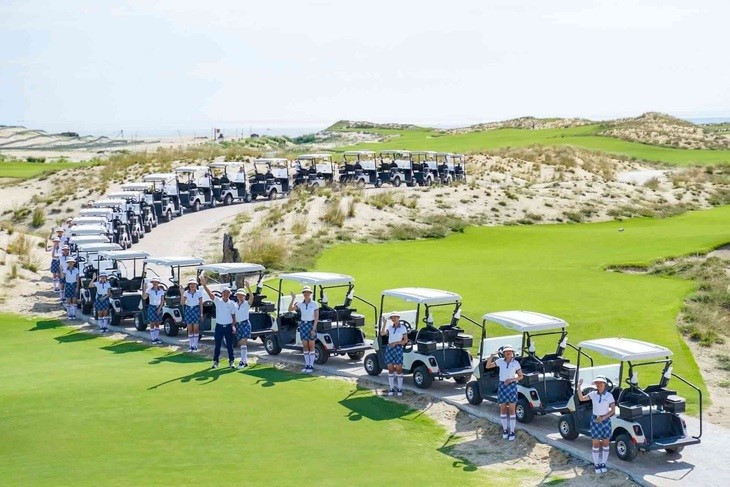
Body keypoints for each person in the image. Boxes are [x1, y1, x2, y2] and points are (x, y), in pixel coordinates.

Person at [577, 376, 616, 474]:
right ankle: (596, 464)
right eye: (597, 383)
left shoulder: (609, 396)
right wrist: (579, 387)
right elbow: (581, 398)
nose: (599, 385)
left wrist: (602, 418)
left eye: (601, 383)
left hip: (605, 420)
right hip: (595, 420)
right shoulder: (593, 394)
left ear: (604, 384)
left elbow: (613, 410)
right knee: (596, 443)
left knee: (605, 442)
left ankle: (603, 463)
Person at [486, 344, 524, 441]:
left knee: (511, 409)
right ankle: (505, 430)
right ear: (504, 353)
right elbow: (488, 366)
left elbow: (520, 376)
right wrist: (491, 356)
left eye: (510, 351)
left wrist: (511, 380)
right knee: (503, 408)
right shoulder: (499, 362)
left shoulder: (516, 363)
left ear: (512, 353)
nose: (508, 353)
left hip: (511, 386)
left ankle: (512, 431)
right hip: (502, 386)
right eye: (506, 352)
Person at [200, 275, 236, 369]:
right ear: (222, 293)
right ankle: (216, 361)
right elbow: (210, 294)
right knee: (217, 345)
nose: (225, 294)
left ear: (229, 294)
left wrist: (233, 326)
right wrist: (204, 285)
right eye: (224, 292)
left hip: (228, 326)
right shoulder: (218, 301)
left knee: (229, 345)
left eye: (227, 293)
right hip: (219, 326)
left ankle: (231, 361)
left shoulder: (232, 304)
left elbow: (233, 316)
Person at [288, 285, 319, 373]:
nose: (306, 294)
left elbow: (316, 317)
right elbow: (290, 309)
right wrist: (293, 299)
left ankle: (311, 366)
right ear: (303, 293)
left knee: (311, 345)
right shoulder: (300, 304)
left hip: (311, 324)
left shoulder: (314, 304)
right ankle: (307, 365)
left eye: (308, 292)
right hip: (303, 325)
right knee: (305, 346)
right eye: (305, 292)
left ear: (310, 293)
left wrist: (313, 329)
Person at [379, 312, 408, 396]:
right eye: (392, 317)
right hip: (389, 349)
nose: (393, 319)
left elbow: (405, 340)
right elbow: (382, 333)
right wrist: (384, 323)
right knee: (390, 369)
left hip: (398, 348)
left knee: (399, 369)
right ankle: (391, 388)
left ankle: (399, 388)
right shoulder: (390, 328)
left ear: (398, 318)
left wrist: (396, 343)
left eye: (395, 317)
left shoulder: (403, 328)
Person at [233, 280, 254, 368]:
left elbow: (252, 298)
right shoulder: (234, 305)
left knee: (243, 343)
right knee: (242, 343)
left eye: (242, 295)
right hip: (238, 324)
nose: (240, 296)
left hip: (245, 324)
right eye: (239, 295)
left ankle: (243, 361)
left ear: (244, 296)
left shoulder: (246, 304)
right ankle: (244, 361)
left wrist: (248, 288)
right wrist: (233, 325)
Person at [181, 278, 203, 352]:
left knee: (196, 329)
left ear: (196, 285)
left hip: (196, 310)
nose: (192, 285)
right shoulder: (186, 293)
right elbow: (182, 303)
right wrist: (182, 293)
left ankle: (195, 346)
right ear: (189, 285)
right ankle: (191, 346)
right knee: (190, 329)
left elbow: (201, 304)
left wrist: (201, 314)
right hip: (188, 310)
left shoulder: (199, 292)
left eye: (194, 284)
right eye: (191, 284)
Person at [142, 277, 165, 344]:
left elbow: (162, 301)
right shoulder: (149, 290)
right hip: (152, 306)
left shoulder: (161, 291)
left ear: (158, 283)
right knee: (152, 323)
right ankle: (153, 339)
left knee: (157, 323)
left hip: (158, 307)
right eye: (154, 282)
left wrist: (159, 308)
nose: (155, 283)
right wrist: (144, 290)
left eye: (156, 282)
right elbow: (144, 297)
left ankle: (156, 338)